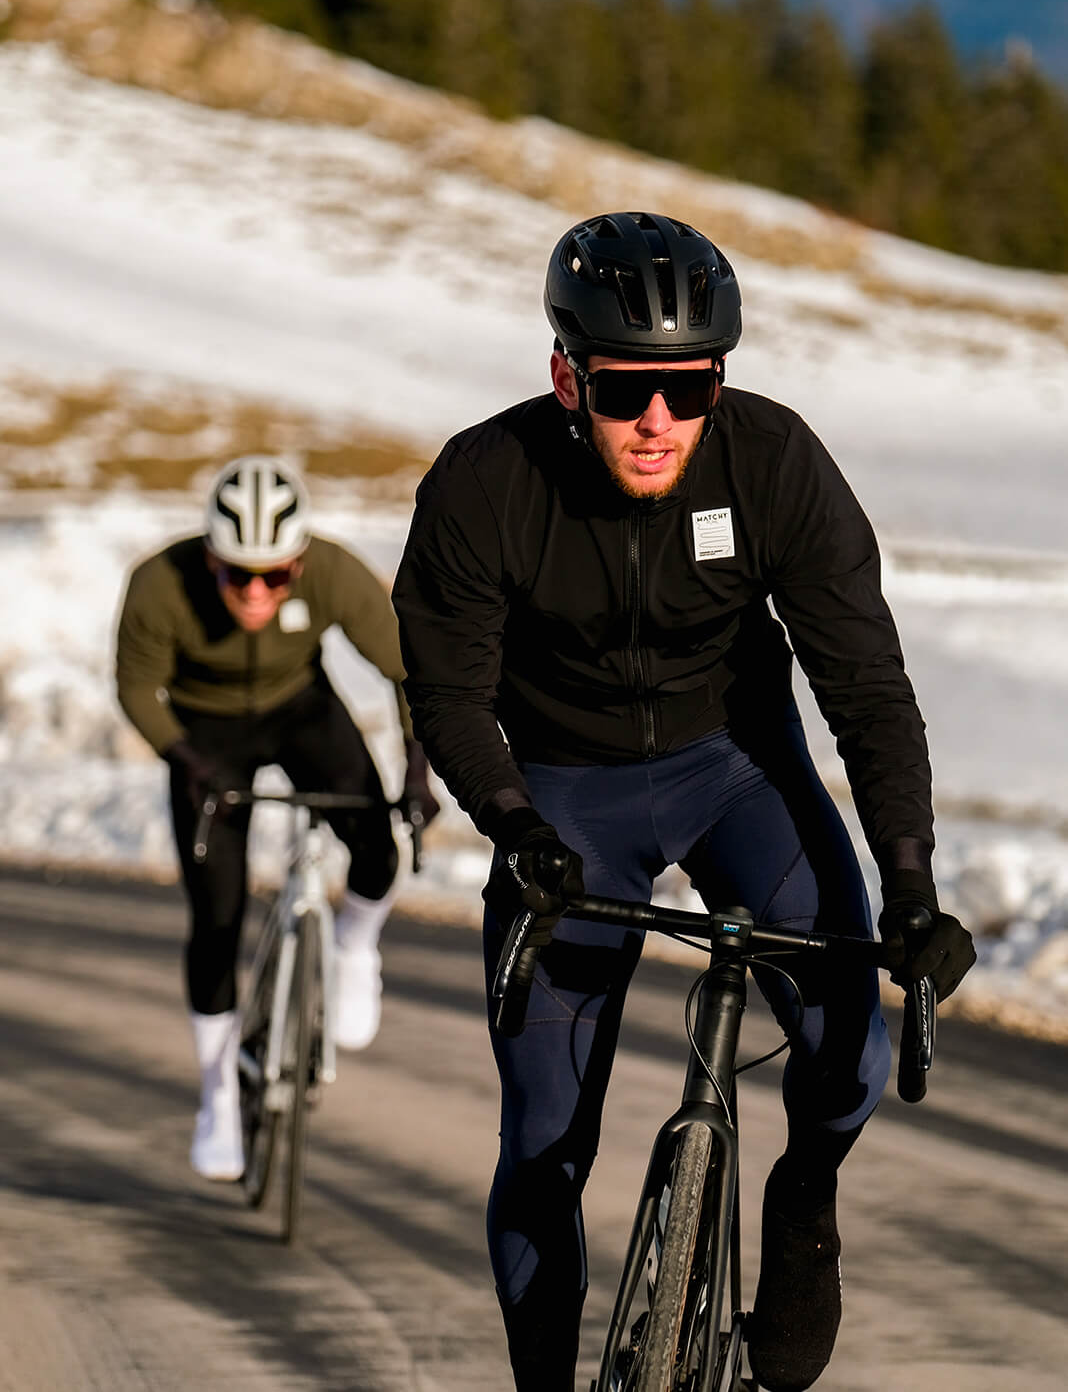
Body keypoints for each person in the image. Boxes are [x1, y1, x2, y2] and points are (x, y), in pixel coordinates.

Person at [391, 212, 975, 1391]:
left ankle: (800, 1200)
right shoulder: (485, 483)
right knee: (545, 1140)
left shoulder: (773, 461)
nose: (658, 421)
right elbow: (447, 694)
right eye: (622, 391)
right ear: (567, 375)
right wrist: (514, 826)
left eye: (689, 388)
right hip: (560, 797)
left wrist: (910, 883)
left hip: (734, 771)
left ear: (719, 380)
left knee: (849, 1035)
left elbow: (863, 682)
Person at [116, 454, 438, 1182]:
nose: (256, 593)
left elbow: (407, 670)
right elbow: (136, 687)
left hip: (300, 710)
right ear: (210, 560)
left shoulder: (332, 572)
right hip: (207, 736)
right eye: (237, 575)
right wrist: (186, 760)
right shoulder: (159, 585)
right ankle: (218, 1094)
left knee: (378, 842)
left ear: (300, 562)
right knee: (217, 916)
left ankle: (355, 946)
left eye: (276, 576)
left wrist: (416, 770)